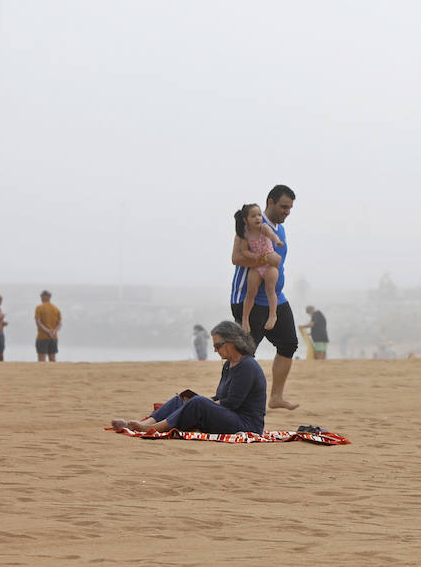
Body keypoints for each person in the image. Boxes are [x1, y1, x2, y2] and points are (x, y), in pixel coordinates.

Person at [109, 321, 267, 435]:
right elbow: (220, 397)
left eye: (217, 346)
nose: (215, 350)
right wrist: (190, 401)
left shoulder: (247, 366)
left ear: (232, 342)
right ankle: (145, 424)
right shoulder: (228, 365)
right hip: (230, 416)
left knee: (197, 402)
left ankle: (154, 429)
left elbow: (233, 403)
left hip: (246, 424)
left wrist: (200, 403)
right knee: (184, 397)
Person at [229, 185, 299, 410]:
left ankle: (276, 397)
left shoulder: (279, 228)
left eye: (290, 208)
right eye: (283, 206)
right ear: (270, 202)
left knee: (288, 343)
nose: (287, 211)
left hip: (275, 298)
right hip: (248, 299)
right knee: (243, 351)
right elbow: (237, 258)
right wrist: (266, 260)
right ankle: (227, 398)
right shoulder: (252, 225)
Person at [232, 203, 284, 331]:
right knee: (250, 292)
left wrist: (277, 241)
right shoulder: (245, 234)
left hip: (270, 265)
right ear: (246, 220)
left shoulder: (264, 228)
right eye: (253, 216)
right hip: (257, 266)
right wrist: (253, 256)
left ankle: (273, 315)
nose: (258, 218)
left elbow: (272, 235)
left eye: (259, 215)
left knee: (270, 288)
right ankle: (245, 320)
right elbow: (244, 251)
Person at [34, 290, 61, 362]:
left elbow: (38, 322)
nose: (40, 297)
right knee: (52, 358)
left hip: (42, 337)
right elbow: (59, 323)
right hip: (53, 337)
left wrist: (48, 331)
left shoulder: (39, 308)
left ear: (45, 297)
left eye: (41, 296)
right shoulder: (56, 309)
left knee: (41, 359)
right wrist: (54, 331)